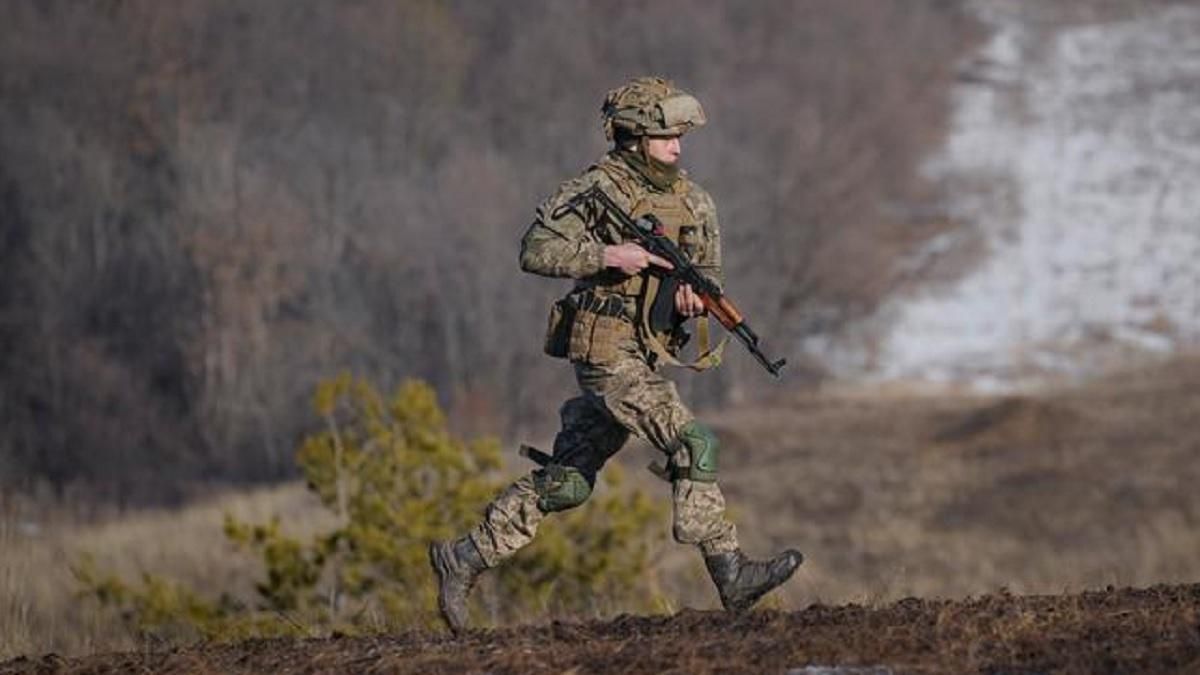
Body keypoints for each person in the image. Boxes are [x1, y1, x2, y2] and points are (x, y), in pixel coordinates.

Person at [429, 76, 802, 633]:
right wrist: (607, 255)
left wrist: (692, 301)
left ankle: (464, 557)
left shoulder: (695, 201)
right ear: (635, 136)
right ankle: (730, 571)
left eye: (680, 135)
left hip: (644, 351)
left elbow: (708, 277)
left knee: (569, 483)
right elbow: (534, 249)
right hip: (604, 351)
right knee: (694, 442)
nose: (677, 145)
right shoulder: (596, 189)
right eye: (666, 135)